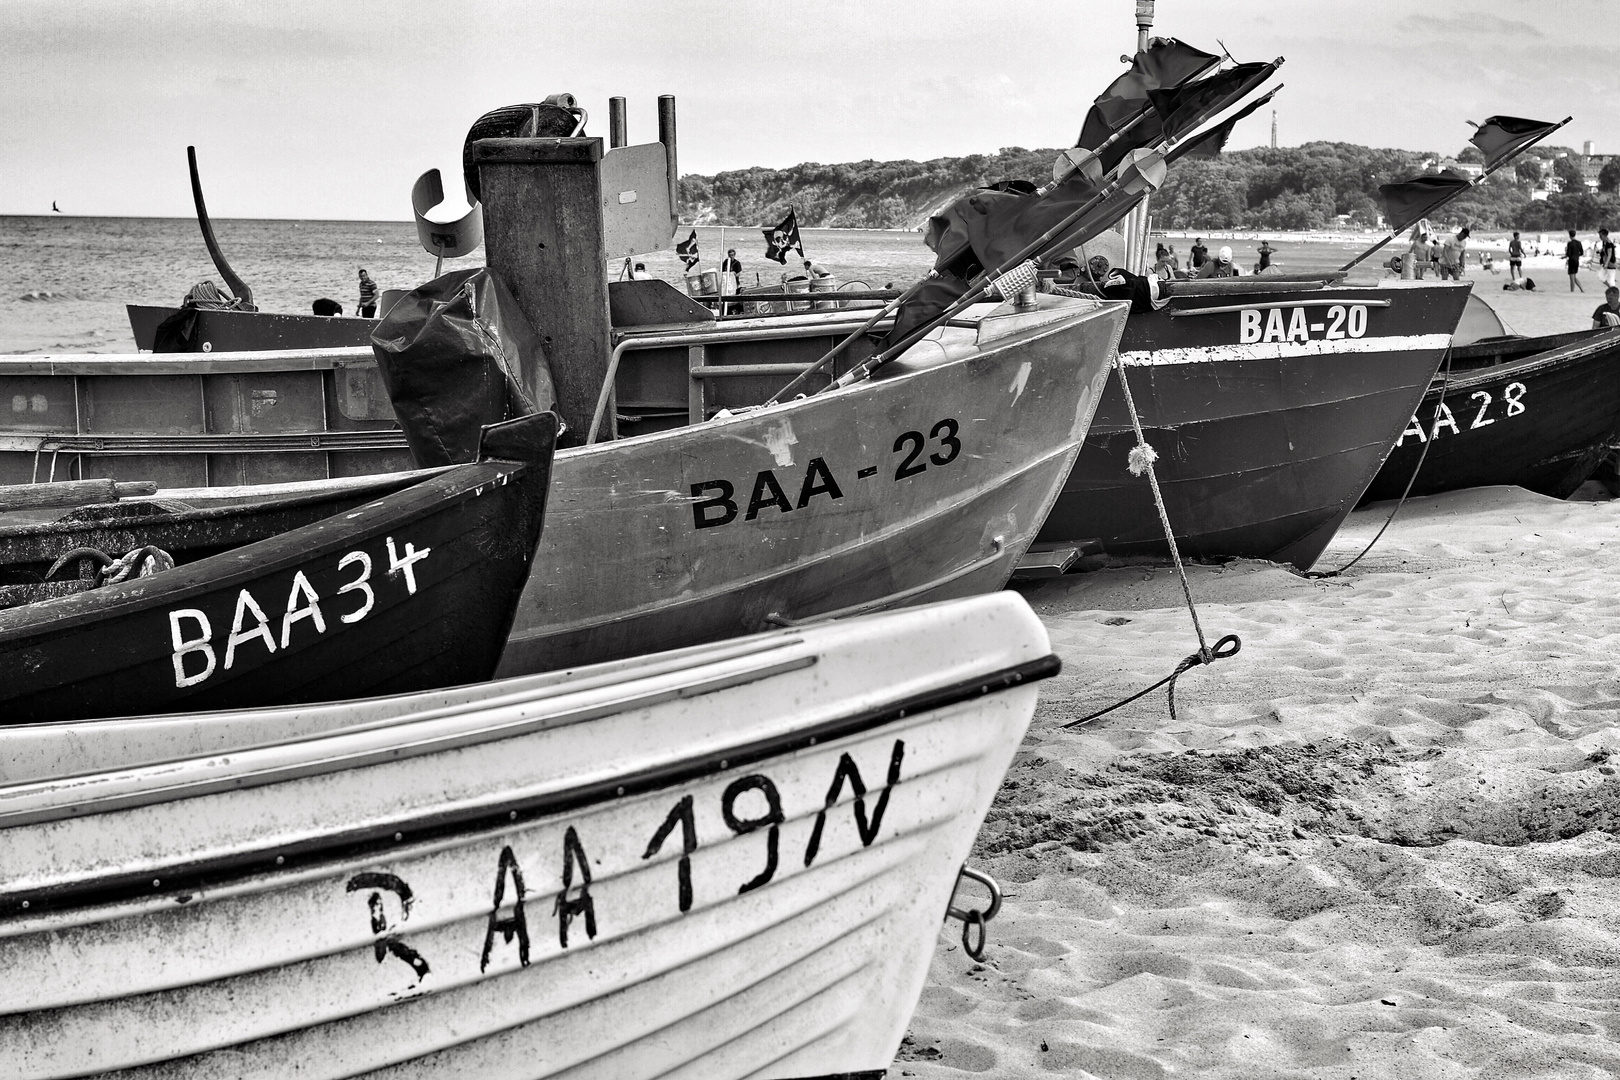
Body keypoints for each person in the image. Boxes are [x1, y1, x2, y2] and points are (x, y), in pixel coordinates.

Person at [1081, 254, 1169, 313]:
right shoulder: (1150, 271)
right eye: (1163, 261)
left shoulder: (1168, 269)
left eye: (1166, 261)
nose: (1165, 264)